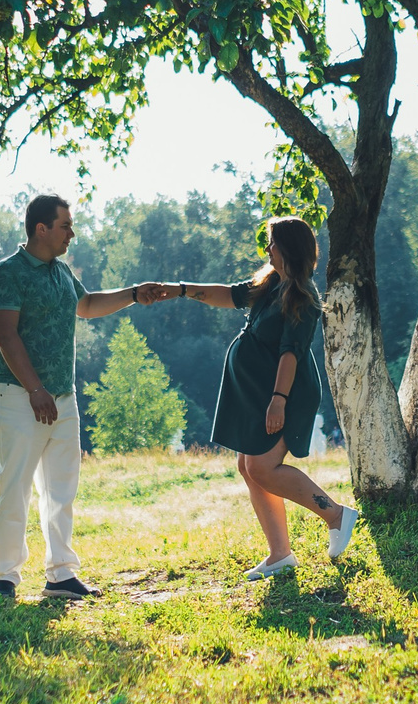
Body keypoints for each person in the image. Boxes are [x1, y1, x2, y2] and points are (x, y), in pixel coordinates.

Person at [0, 193, 168, 601]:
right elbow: (6, 335)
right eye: (65, 225)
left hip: (62, 399)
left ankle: (61, 574)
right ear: (41, 228)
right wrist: (35, 389)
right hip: (17, 396)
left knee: (61, 490)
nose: (72, 233)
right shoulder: (7, 273)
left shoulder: (61, 272)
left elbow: (85, 305)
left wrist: (134, 293)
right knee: (14, 489)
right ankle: (4, 579)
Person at [153, 217, 359, 580]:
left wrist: (278, 399)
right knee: (249, 468)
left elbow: (290, 353)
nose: (268, 250)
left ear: (289, 249)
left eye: (272, 244)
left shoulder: (302, 296)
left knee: (264, 468)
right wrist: (181, 289)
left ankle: (337, 515)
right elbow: (227, 294)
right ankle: (280, 555)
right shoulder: (271, 283)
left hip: (283, 392)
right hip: (256, 393)